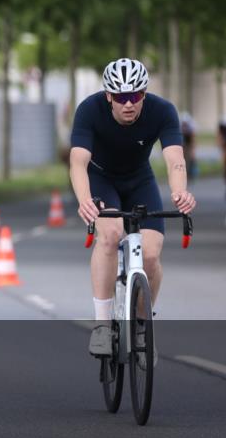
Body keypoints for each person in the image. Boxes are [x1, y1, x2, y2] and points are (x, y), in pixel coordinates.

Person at [68, 58, 196, 357]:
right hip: (101, 180)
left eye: (136, 95)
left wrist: (180, 192)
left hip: (139, 180)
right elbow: (78, 163)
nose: (129, 103)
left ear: (144, 94)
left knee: (150, 254)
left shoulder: (163, 110)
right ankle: (102, 326)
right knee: (110, 235)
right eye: (121, 97)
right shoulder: (89, 109)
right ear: (108, 96)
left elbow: (175, 159)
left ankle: (140, 324)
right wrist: (85, 200)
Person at [180, 111, 198, 182]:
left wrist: (193, 151)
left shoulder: (191, 127)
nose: (184, 125)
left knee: (188, 159)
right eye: (183, 123)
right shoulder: (179, 126)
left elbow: (193, 140)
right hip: (182, 143)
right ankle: (182, 175)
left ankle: (188, 175)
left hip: (188, 144)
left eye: (185, 123)